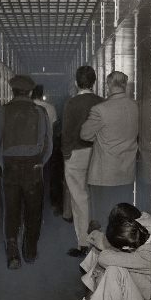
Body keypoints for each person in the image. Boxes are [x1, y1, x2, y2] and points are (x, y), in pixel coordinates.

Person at [0, 74, 52, 269]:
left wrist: (3, 164)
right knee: (33, 211)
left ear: (13, 90)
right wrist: (42, 162)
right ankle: (30, 250)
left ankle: (12, 254)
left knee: (11, 210)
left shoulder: (3, 111)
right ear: (30, 91)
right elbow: (47, 142)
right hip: (34, 166)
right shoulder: (40, 112)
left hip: (10, 165)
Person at [81, 70, 139, 227]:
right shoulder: (135, 107)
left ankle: (103, 250)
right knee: (122, 219)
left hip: (104, 175)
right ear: (124, 86)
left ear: (108, 85)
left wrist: (100, 137)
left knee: (102, 218)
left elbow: (85, 134)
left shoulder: (100, 109)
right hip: (127, 172)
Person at [61, 65, 104, 256]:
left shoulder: (71, 103)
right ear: (94, 82)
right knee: (95, 198)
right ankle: (99, 242)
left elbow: (67, 131)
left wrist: (65, 153)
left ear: (77, 82)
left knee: (79, 199)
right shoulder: (101, 102)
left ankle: (83, 243)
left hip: (76, 155)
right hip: (97, 154)